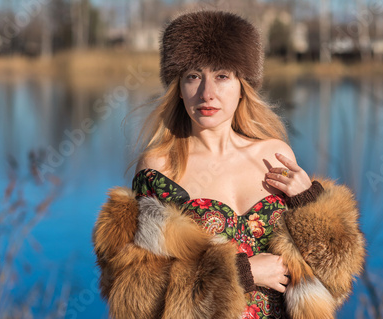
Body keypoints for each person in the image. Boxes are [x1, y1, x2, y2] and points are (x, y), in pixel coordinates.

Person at [93, 10, 365, 319]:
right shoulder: (160, 169)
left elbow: (336, 277)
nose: (206, 93)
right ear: (179, 89)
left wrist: (309, 202)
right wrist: (242, 272)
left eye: (222, 76)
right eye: (193, 76)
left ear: (242, 86)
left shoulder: (274, 154)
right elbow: (135, 297)